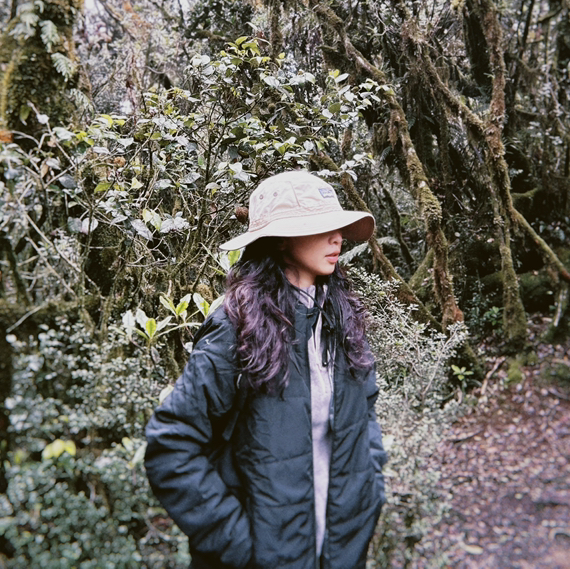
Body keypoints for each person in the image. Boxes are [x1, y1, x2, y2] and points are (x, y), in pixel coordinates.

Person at [145, 170, 387, 569]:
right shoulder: (237, 327)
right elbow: (171, 444)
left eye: (338, 227)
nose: (337, 238)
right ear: (279, 239)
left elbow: (366, 414)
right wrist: (242, 546)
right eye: (321, 227)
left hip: (342, 554)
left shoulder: (341, 317)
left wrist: (370, 490)